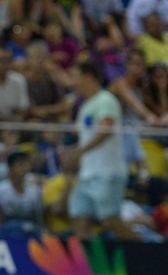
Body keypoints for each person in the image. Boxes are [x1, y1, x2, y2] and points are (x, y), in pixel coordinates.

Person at [65, 62, 137, 240]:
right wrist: (73, 152)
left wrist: (79, 152)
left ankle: (147, 256)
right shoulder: (85, 106)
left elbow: (106, 129)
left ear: (88, 77)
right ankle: (90, 266)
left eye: (75, 76)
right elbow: (87, 138)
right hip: (87, 174)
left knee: (110, 221)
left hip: (108, 172)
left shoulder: (106, 99)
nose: (72, 82)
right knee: (79, 217)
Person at [0, 150, 43, 235]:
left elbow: (38, 217)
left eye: (26, 165)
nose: (24, 168)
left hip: (28, 229)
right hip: (4, 229)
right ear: (11, 168)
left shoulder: (34, 191)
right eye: (20, 165)